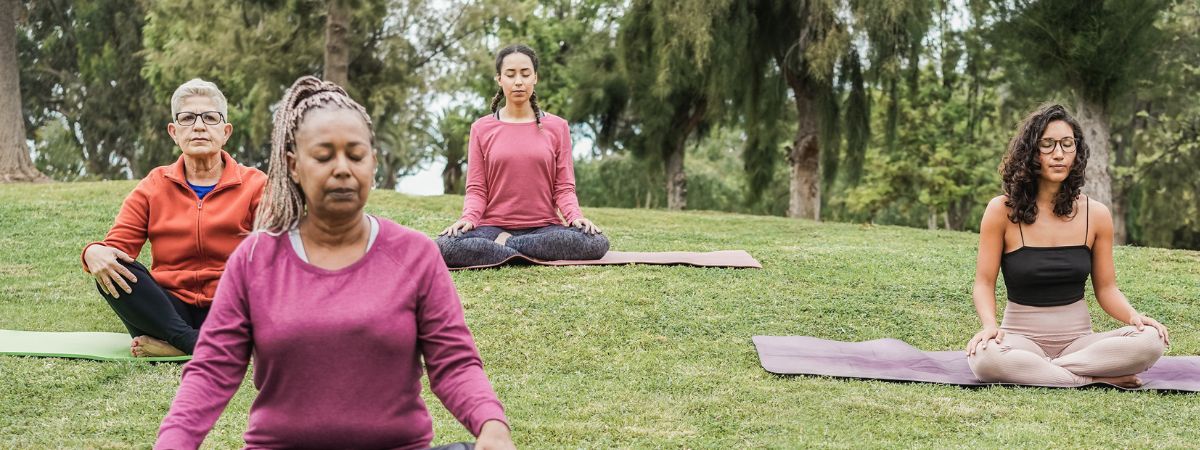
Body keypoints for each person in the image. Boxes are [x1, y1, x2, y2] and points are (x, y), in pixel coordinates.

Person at [155, 76, 515, 450]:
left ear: (372, 162)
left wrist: (492, 427)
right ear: (293, 166)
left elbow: (454, 365)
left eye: (355, 155)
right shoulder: (254, 259)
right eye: (324, 156)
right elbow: (212, 371)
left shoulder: (415, 254)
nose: (342, 168)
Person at [966, 104, 1169, 388]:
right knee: (985, 358)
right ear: (1031, 152)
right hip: (1020, 340)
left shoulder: (1096, 214)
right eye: (1047, 145)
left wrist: (1134, 316)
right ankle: (1093, 378)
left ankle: (1048, 372)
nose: (1058, 154)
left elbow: (1107, 288)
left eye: (1067, 144)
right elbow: (983, 283)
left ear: (1077, 151)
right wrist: (990, 326)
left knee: (1151, 340)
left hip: (1080, 343)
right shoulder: (1001, 211)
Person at [80, 79, 266, 357]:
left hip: (231, 308)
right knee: (112, 267)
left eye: (210, 118)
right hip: (168, 311)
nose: (199, 126)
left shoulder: (256, 184)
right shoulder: (153, 185)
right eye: (188, 118)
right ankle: (190, 341)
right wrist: (92, 252)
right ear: (174, 131)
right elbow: (117, 248)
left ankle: (179, 346)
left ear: (225, 132)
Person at [436, 44, 608, 267]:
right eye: (510, 74)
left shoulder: (558, 127)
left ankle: (508, 247)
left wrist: (575, 217)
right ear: (499, 79)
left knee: (596, 242)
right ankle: (522, 250)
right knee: (445, 245)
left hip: (545, 229)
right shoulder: (481, 128)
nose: (519, 81)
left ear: (535, 77)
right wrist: (468, 219)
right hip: (492, 228)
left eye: (525, 74)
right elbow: (477, 188)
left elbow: (564, 187)